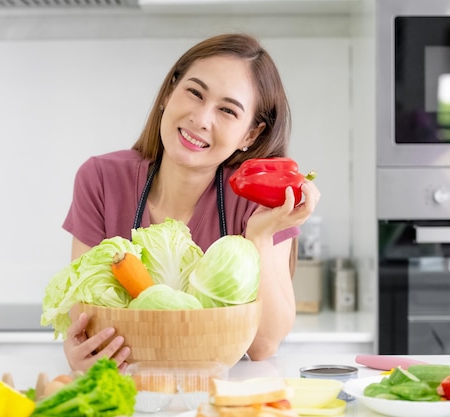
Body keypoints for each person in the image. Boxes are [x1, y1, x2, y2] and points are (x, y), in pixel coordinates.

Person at [62, 33, 321, 373]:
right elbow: (85, 314)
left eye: (227, 110)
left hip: (221, 395)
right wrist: (83, 349)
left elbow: (263, 346)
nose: (202, 118)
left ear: (250, 135)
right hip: (133, 389)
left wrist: (258, 236)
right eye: (194, 93)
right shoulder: (101, 179)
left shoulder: (256, 200)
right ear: (169, 93)